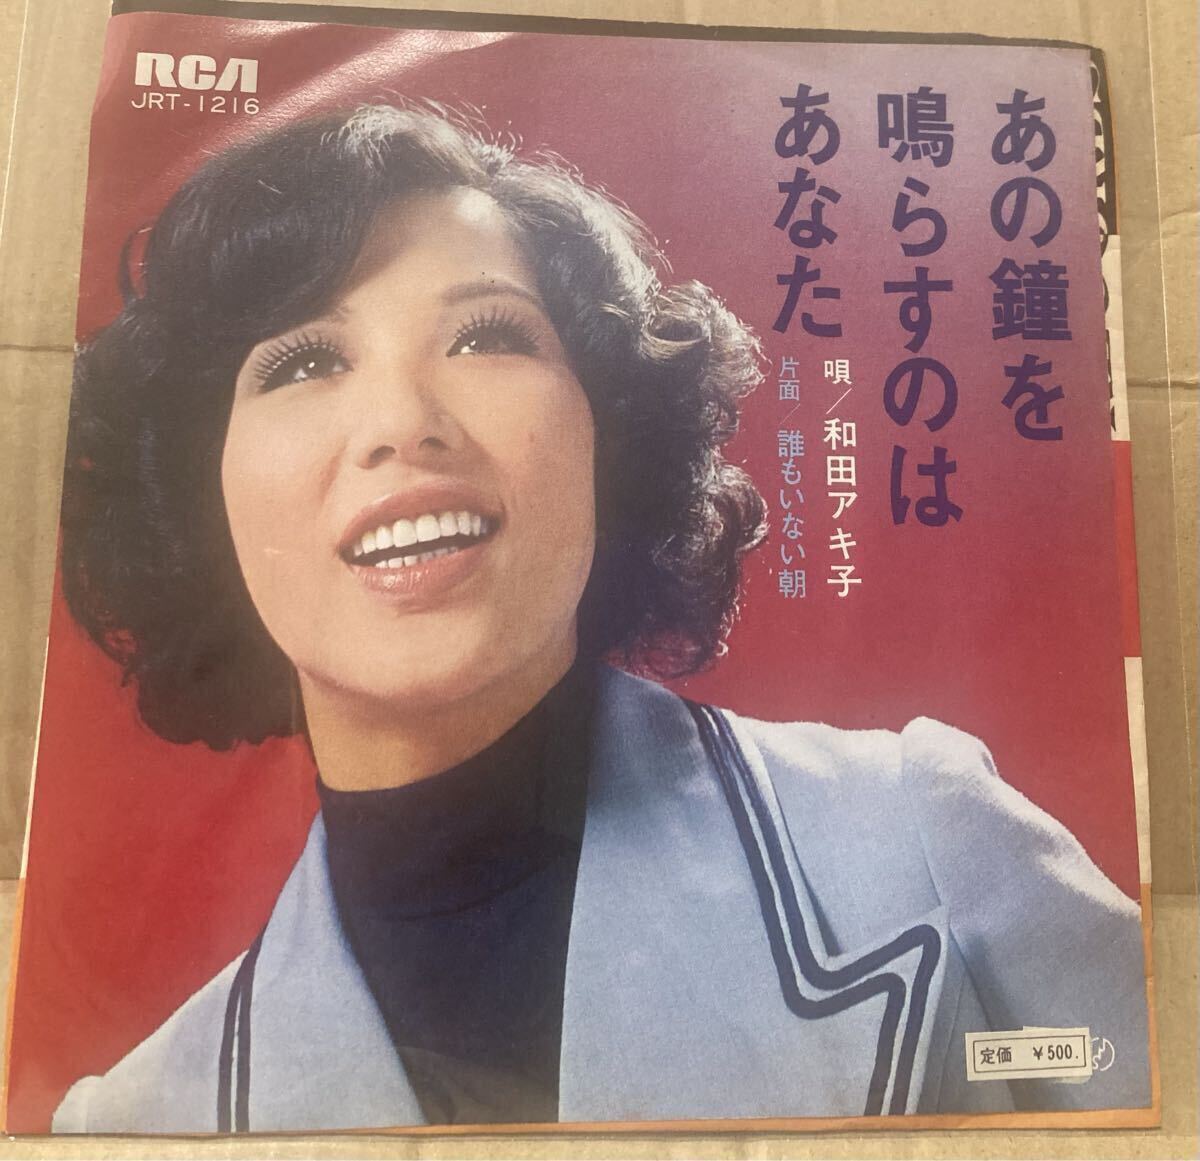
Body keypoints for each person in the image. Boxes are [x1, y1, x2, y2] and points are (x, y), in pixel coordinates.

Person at [52, 105, 1149, 1133]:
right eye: (304, 361)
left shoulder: (926, 837)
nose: (401, 422)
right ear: (202, 494)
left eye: (485, 337)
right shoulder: (132, 1121)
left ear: (606, 437)